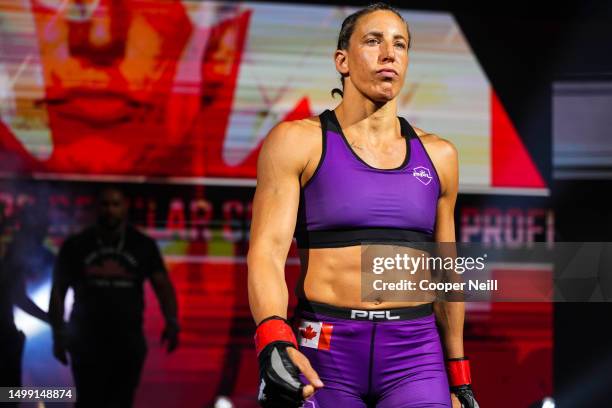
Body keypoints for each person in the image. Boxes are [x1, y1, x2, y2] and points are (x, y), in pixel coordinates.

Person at [248, 3, 479, 408]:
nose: (389, 53)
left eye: (400, 44)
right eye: (373, 41)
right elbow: (266, 252)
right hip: (325, 349)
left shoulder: (440, 155)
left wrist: (459, 377)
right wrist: (273, 340)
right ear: (342, 60)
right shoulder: (297, 142)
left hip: (415, 354)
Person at [49, 186, 180, 408]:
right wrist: (58, 333)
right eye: (105, 204)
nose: (110, 210)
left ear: (125, 207)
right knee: (89, 400)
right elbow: (58, 290)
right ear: (95, 208)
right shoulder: (76, 245)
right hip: (86, 340)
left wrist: (172, 321)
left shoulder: (142, 244)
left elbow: (162, 285)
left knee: (121, 401)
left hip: (126, 340)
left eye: (115, 204)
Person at [0, 203, 49, 405]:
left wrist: (51, 319)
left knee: (9, 397)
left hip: (5, 340)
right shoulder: (11, 255)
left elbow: (18, 297)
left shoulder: (10, 256)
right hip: (6, 340)